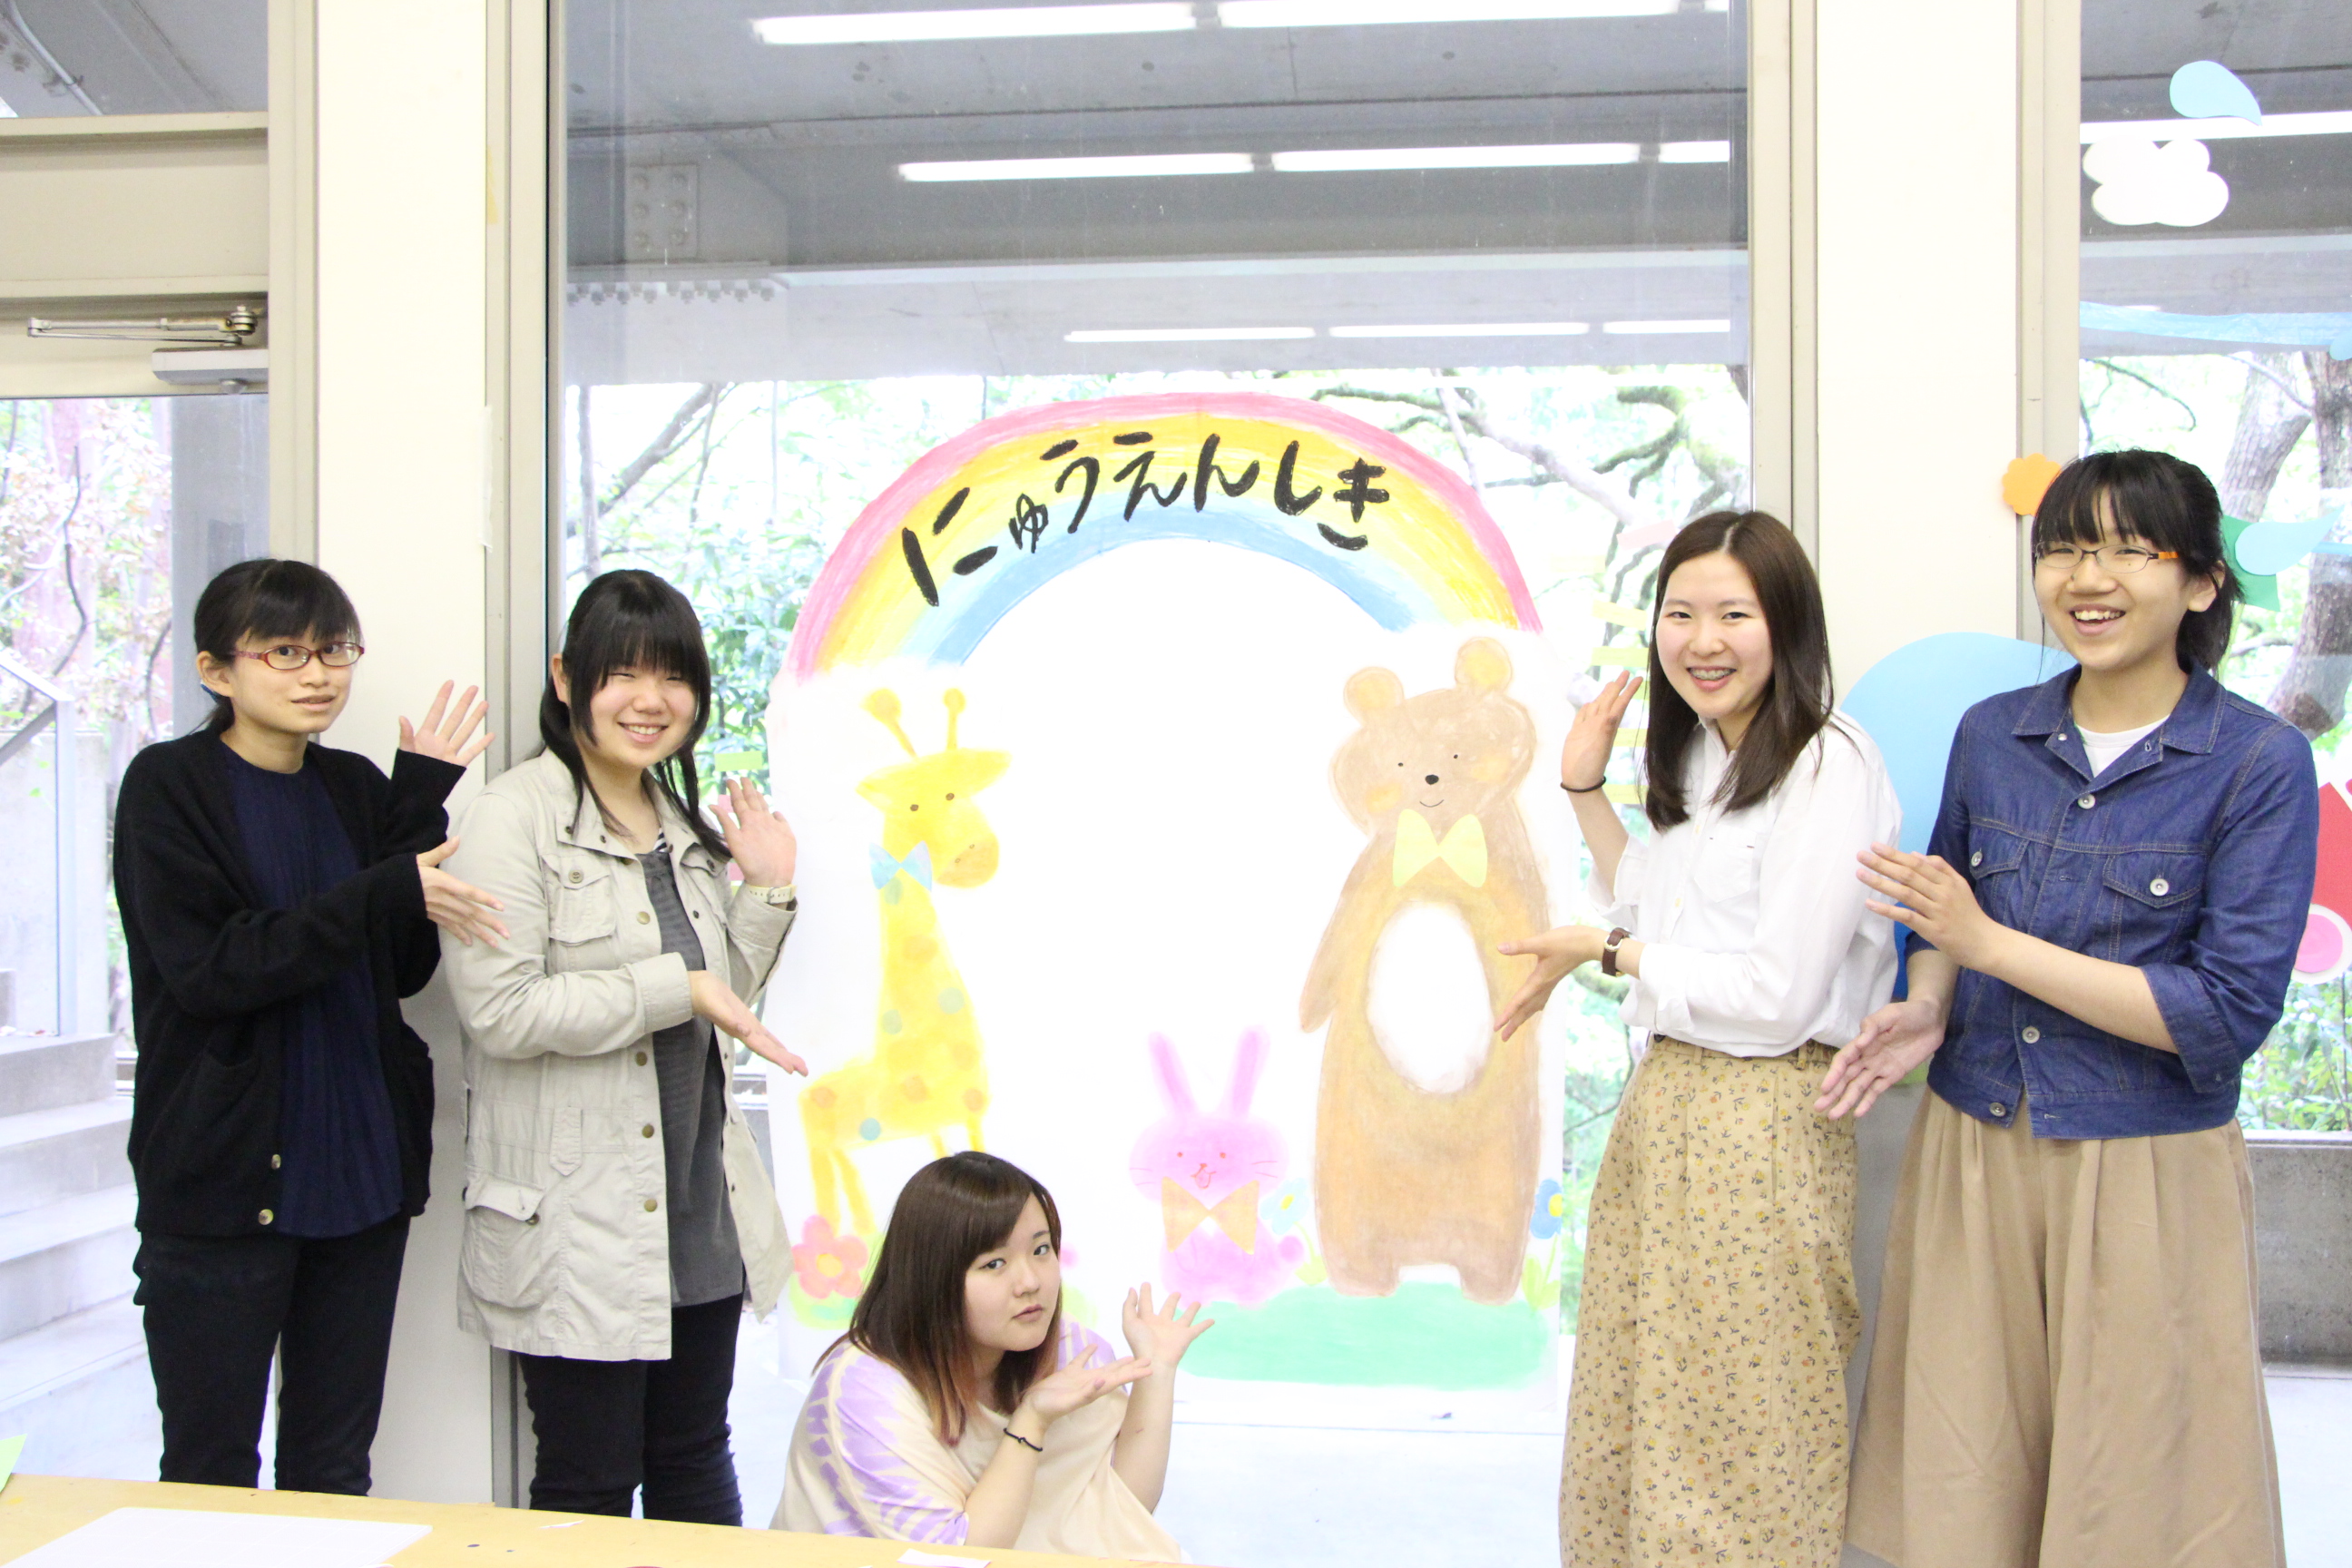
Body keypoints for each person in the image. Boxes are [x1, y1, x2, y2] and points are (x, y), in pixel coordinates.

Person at [1822, 450, 2315, 1568]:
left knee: (2141, 1497)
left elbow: (2222, 1012)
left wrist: (1990, 946)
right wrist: (1931, 1002)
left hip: (2149, 1164)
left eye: (2129, 550)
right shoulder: (1992, 733)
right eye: (2064, 549)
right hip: (1977, 1137)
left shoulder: (2258, 762)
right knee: (1966, 1479)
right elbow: (1943, 914)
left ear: (2201, 584)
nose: (2087, 578)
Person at [1494, 511, 1902, 1567]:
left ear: (1788, 625)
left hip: (1763, 1118)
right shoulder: (1706, 757)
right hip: (1667, 1105)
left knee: (1745, 1430)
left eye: (1734, 614)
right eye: (1680, 614)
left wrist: (1608, 952)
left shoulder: (1828, 763)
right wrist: (1584, 789)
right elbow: (1648, 903)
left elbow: (1777, 996)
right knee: (1641, 1412)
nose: (1702, 641)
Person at [114, 558, 502, 1493]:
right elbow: (215, 971)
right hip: (221, 1185)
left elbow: (398, 970)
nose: (317, 674)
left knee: (333, 1468)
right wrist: (384, 886)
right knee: (209, 1471)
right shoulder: (168, 786)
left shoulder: (353, 788)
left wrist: (415, 803)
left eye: (334, 651)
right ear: (216, 670)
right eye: (284, 652)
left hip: (359, 1177)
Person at [440, 568, 805, 1524]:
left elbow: (722, 1000)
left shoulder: (677, 821)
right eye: (625, 674)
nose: (652, 700)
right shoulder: (512, 816)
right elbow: (502, 1010)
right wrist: (670, 986)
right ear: (568, 679)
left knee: (695, 1459)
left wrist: (766, 891)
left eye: (674, 676)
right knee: (589, 1482)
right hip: (579, 1220)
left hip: (698, 1202)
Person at [776, 1152, 1210, 1557]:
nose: (1030, 1282)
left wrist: (1157, 1371)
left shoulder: (1069, 1348)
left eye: (1041, 1250)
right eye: (994, 1264)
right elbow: (956, 1558)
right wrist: (1030, 1421)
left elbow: (1121, 1508)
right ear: (932, 1279)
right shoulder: (866, 1391)